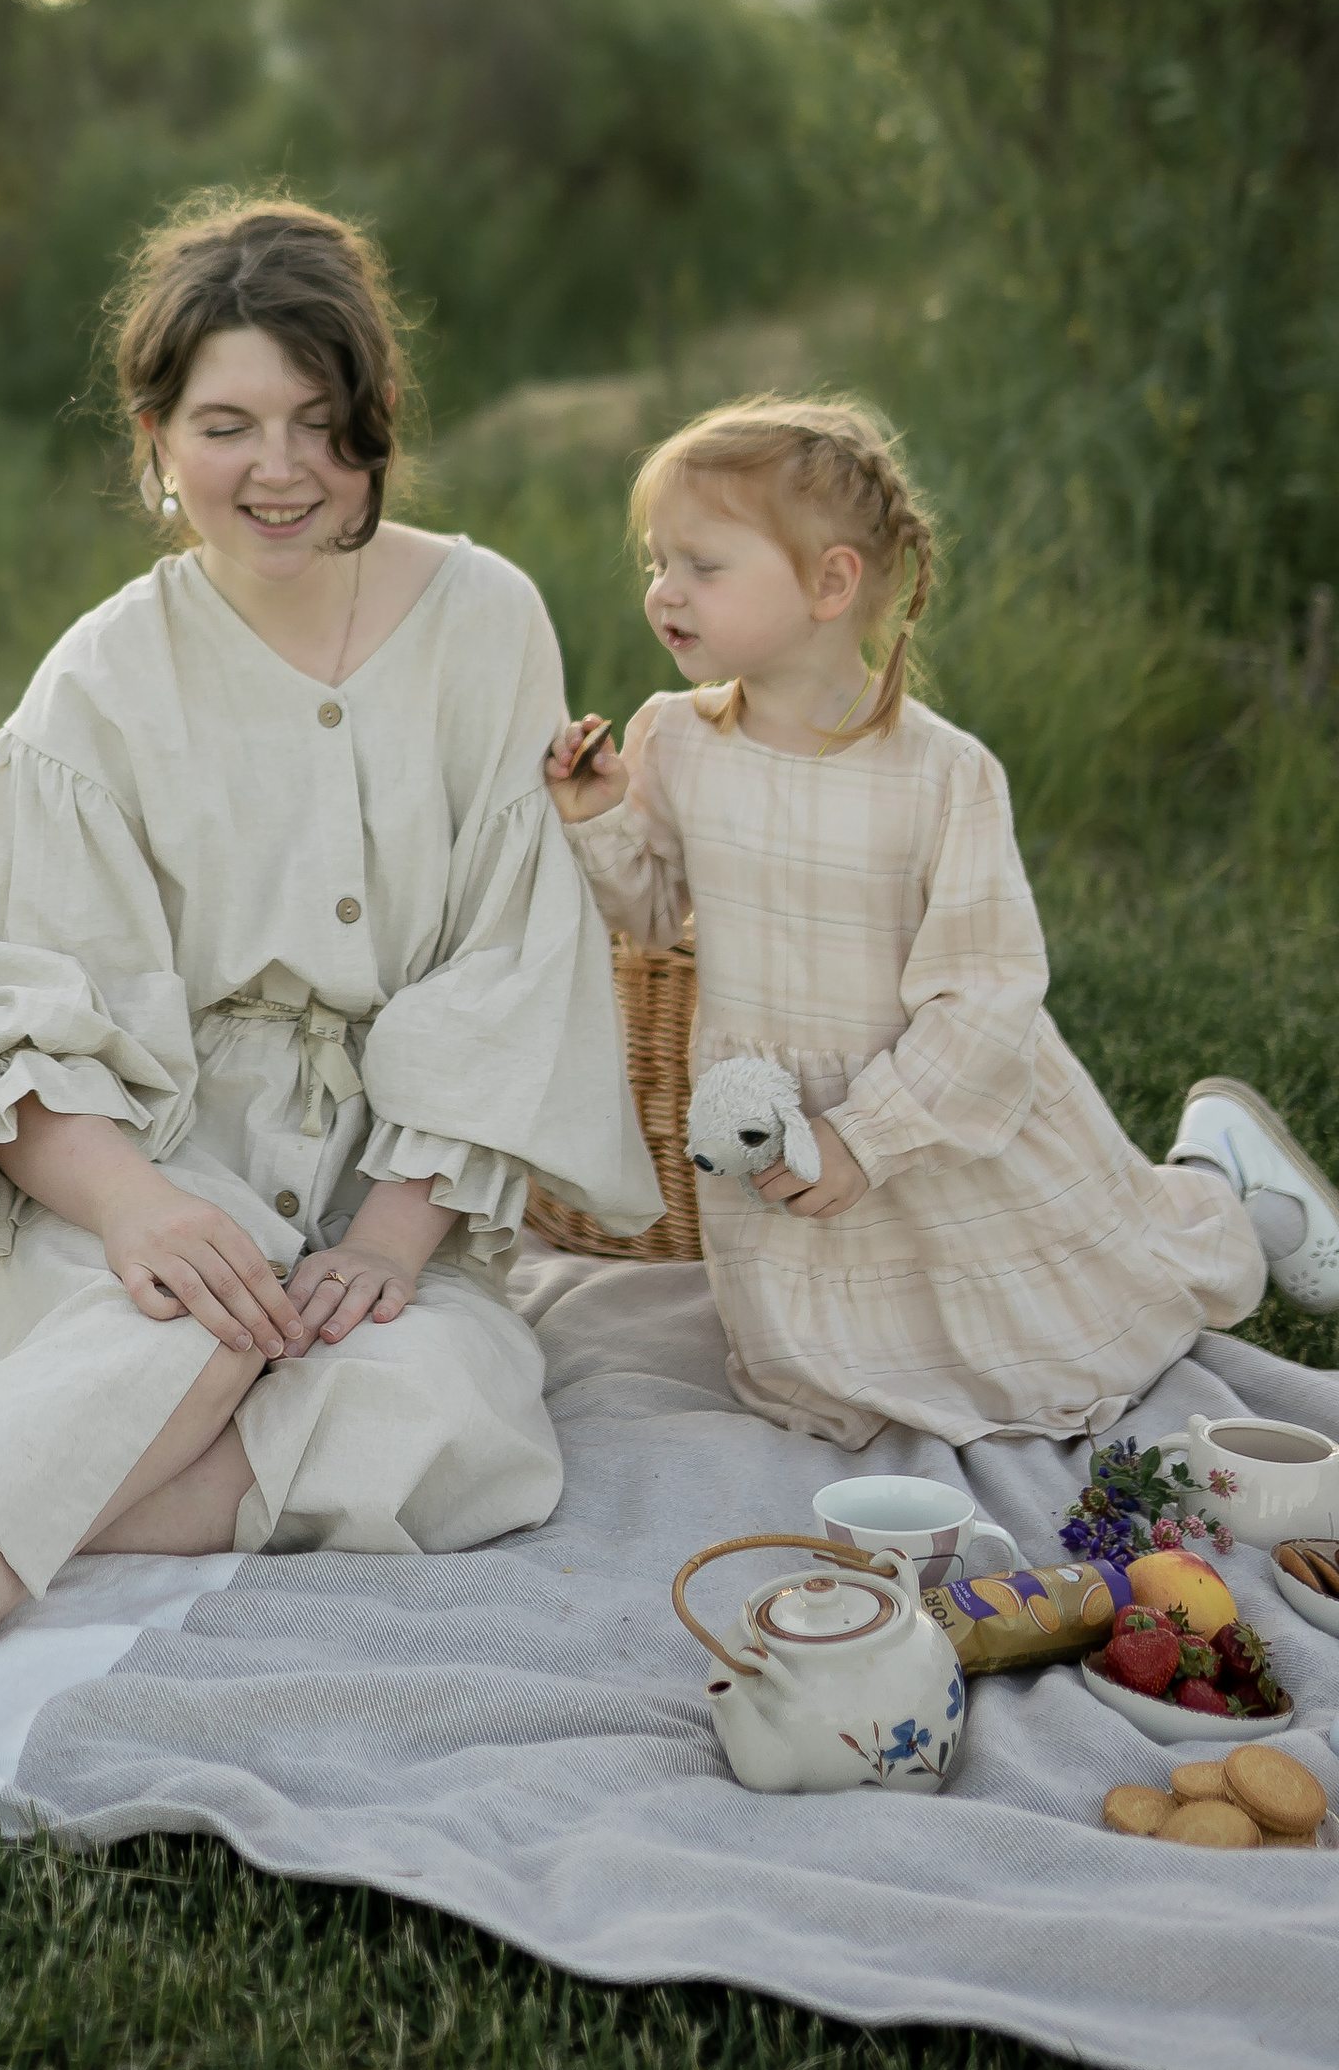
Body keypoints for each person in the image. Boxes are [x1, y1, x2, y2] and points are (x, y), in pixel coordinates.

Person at [0, 197, 659, 2004]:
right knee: (190, 1323)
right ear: (155, 441)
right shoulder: (104, 673)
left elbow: (506, 953)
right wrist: (149, 1211)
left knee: (455, 1432)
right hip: (128, 1165)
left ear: (377, 418)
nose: (281, 469)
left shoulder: (485, 621)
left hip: (390, 1175)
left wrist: (399, 1232)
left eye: (320, 423)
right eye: (228, 426)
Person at [544, 395, 1339, 1453]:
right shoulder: (676, 740)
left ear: (831, 582)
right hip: (776, 1123)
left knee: (1084, 1330)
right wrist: (597, 819)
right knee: (821, 1388)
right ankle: (1189, 1179)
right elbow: (648, 914)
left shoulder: (941, 774)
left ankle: (1222, 1189)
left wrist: (863, 1139)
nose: (663, 592)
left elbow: (986, 994)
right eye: (657, 561)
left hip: (939, 1119)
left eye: (702, 565)